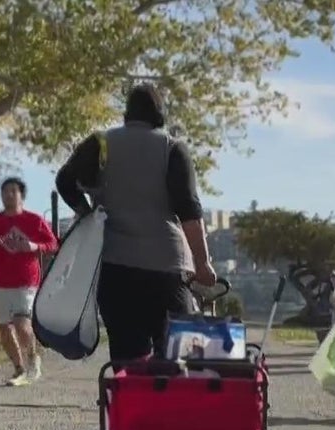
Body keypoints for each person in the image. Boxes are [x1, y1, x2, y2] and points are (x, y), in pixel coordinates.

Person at [54, 83, 217, 362]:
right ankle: (171, 402)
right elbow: (189, 210)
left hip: (115, 266)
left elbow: (65, 181)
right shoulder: (173, 148)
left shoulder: (100, 142)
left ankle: (132, 403)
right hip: (166, 269)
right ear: (160, 113)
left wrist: (87, 214)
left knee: (128, 356)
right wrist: (202, 264)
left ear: (127, 113)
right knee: (177, 354)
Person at [0, 176, 59, 386]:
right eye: (5, 191)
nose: (8, 195)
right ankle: (19, 369)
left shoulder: (34, 220)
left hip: (27, 281)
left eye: (13, 191)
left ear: (21, 195)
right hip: (0, 282)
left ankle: (33, 361)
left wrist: (34, 246)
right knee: (4, 328)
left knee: (22, 324)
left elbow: (53, 243)